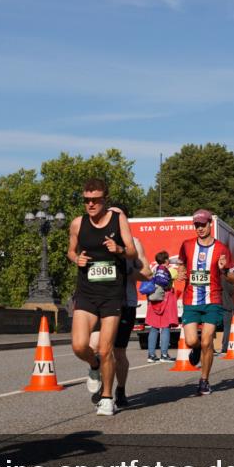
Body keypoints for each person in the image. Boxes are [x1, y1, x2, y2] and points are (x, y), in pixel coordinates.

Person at [68, 178, 137, 416]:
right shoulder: (78, 223)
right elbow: (70, 250)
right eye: (86, 200)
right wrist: (76, 259)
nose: (90, 205)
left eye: (95, 200)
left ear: (104, 199)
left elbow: (132, 251)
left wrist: (118, 249)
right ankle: (94, 365)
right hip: (86, 292)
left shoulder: (118, 220)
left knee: (107, 349)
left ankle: (107, 396)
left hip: (112, 294)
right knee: (79, 346)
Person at [177, 209, 234, 395]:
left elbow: (233, 278)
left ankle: (204, 380)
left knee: (206, 342)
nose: (200, 228)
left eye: (203, 225)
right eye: (197, 225)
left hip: (213, 299)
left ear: (210, 224)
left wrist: (223, 270)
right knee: (191, 340)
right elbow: (181, 263)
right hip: (191, 300)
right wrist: (181, 272)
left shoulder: (221, 249)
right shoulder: (187, 245)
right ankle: (195, 351)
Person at [110, 205, 150, 410]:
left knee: (118, 352)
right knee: (95, 347)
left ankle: (120, 389)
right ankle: (96, 372)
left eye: (119, 216)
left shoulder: (134, 244)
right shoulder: (96, 241)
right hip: (99, 303)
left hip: (125, 303)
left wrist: (129, 273)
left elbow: (148, 274)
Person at [146, 251, 177, 363]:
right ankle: (164, 354)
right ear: (166, 260)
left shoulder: (154, 271)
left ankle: (151, 354)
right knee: (165, 327)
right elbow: (179, 273)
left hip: (154, 302)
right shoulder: (171, 271)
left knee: (153, 328)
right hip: (166, 301)